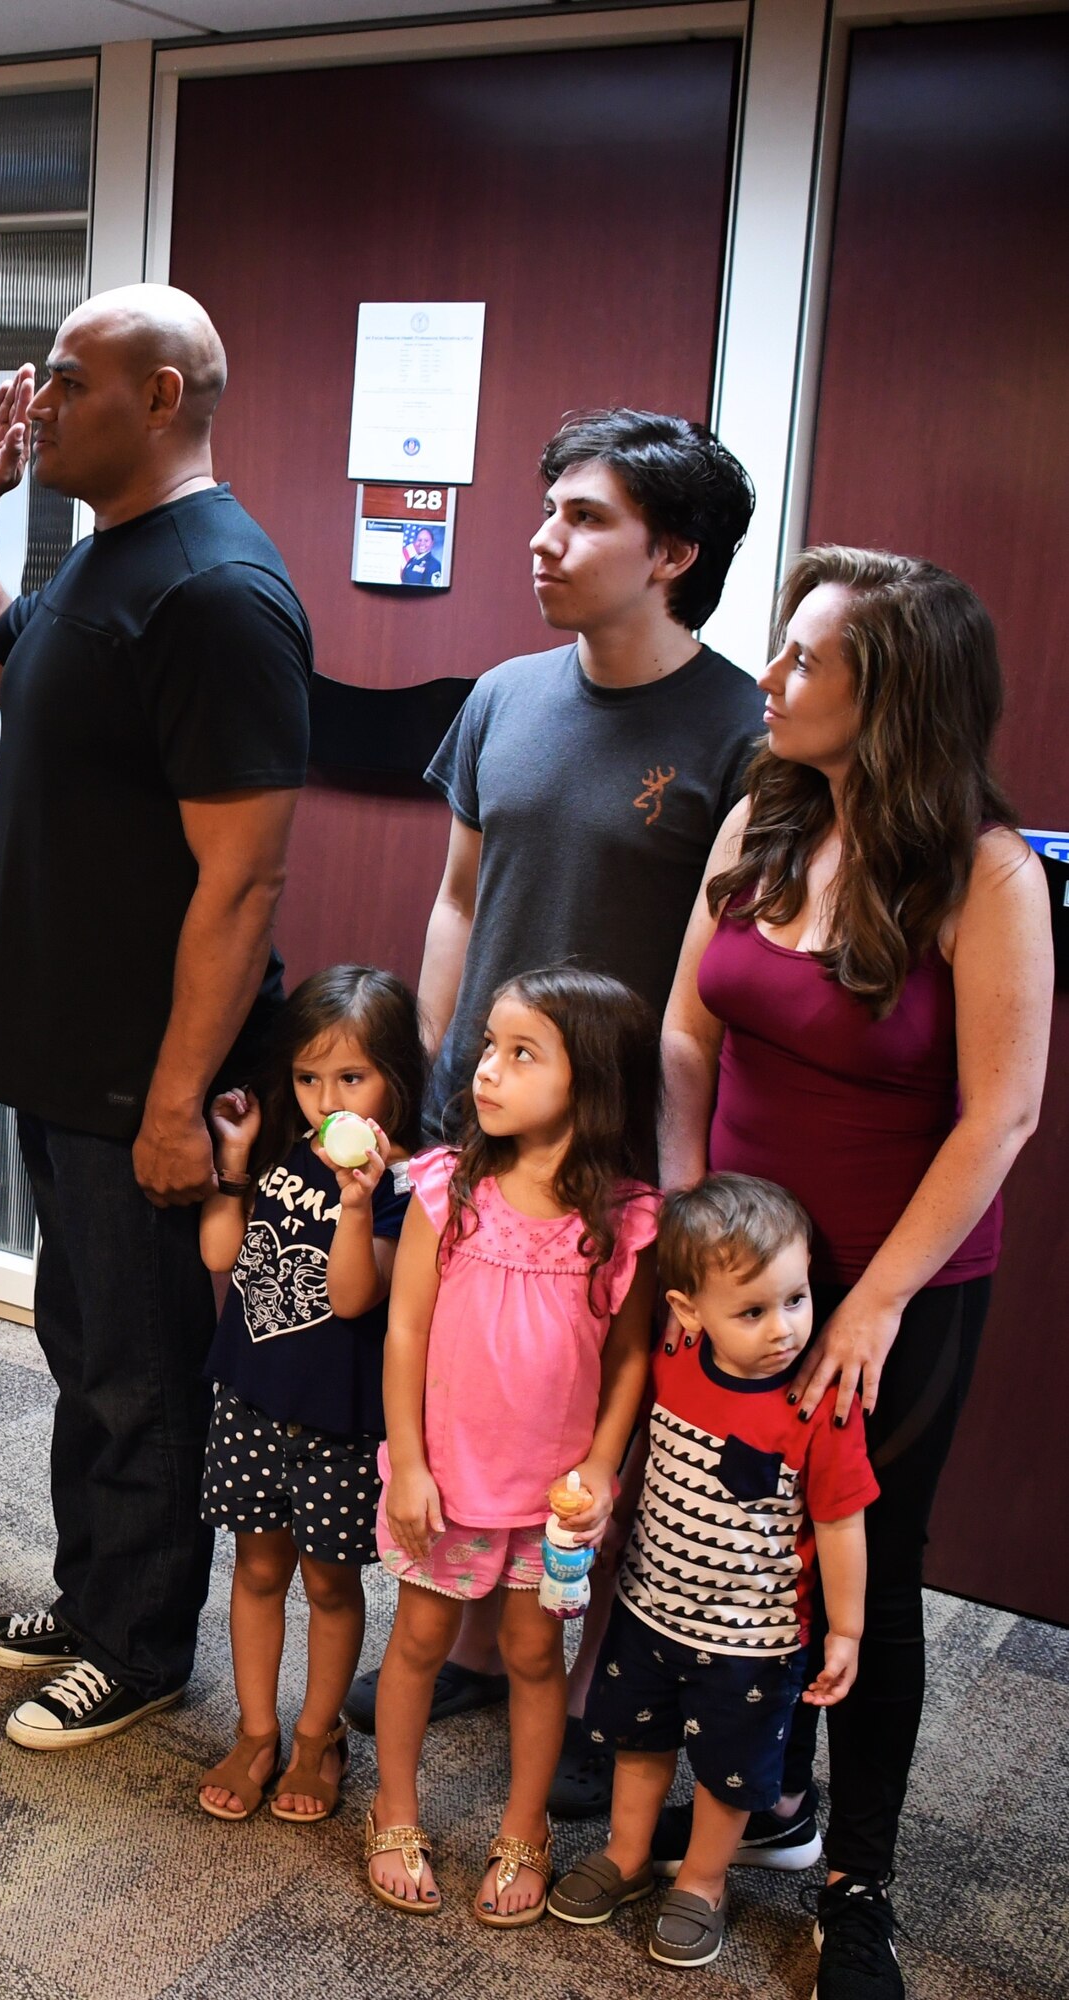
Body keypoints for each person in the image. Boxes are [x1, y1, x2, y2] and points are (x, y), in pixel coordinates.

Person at [347, 409, 763, 1812]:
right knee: (474, 1386)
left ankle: (589, 1693)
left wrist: (684, 1173)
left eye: (583, 518)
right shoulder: (503, 698)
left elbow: (718, 981)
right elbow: (457, 895)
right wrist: (426, 1073)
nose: (542, 538)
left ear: (673, 554)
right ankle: (470, 1639)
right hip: (477, 1124)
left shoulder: (742, 734)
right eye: (547, 507)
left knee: (605, 1420)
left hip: (620, 1152)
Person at [660, 548, 1050, 1999]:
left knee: (861, 1571)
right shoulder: (758, 817)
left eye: (803, 660)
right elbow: (686, 1033)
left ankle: (855, 1881)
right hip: (736, 1260)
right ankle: (746, 1797)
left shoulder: (983, 872)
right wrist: (689, 1220)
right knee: (719, 1535)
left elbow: (997, 1113)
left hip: (897, 1285)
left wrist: (873, 1299)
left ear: (889, 700)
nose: (767, 680)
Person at [0, 284, 313, 1748]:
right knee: (86, 1345)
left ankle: (143, 1646)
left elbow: (244, 878)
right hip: (60, 1051)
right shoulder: (102, 566)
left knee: (145, 1366)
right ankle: (97, 1594)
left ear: (161, 397)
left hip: (138, 1074)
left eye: (68, 382)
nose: (38, 408)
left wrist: (175, 1098)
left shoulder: (215, 592)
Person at [365, 968, 661, 1926]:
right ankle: (394, 1807)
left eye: (520, 1053)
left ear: (593, 1081)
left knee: (536, 1655)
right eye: (488, 1046)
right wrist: (408, 1463)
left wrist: (602, 1471)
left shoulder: (626, 1222)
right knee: (416, 1639)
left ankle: (523, 1827)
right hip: (443, 1483)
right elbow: (404, 1328)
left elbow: (627, 1364)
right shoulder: (447, 1189)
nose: (485, 1070)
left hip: (551, 1503)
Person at [549, 1175, 875, 1971]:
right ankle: (627, 1855)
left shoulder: (818, 1405)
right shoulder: (674, 1357)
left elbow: (839, 1521)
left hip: (751, 1640)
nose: (784, 1329)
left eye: (796, 1299)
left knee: (731, 1771)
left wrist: (848, 1628)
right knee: (635, 1739)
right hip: (649, 1607)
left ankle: (701, 1882)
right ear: (688, 1310)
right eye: (753, 1311)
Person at [195, 966, 423, 1822]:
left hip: (339, 1422)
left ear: (397, 1077)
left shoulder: (410, 1186)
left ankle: (318, 1734)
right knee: (255, 1569)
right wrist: (232, 1162)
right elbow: (220, 1255)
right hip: (249, 1396)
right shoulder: (285, 1149)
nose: (327, 1099)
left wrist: (359, 1205)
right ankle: (257, 1731)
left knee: (329, 1585)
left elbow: (354, 1297)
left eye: (351, 1078)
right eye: (307, 1077)